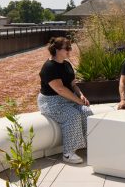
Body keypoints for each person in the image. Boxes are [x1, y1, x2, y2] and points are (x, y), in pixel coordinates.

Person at [37, 36, 91, 164]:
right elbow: (60, 89)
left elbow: (73, 85)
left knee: (87, 112)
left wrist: (81, 95)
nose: (69, 50)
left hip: (68, 98)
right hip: (51, 102)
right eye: (67, 48)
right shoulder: (49, 67)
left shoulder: (66, 64)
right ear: (56, 50)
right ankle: (68, 153)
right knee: (72, 116)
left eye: (70, 48)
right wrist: (77, 101)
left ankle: (90, 145)